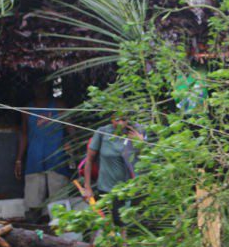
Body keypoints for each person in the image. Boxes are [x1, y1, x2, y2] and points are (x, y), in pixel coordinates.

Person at [15, 82, 71, 219]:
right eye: (37, 86)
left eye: (43, 86)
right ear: (33, 88)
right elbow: (24, 134)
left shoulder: (59, 105)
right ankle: (33, 226)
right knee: (33, 196)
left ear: (49, 88)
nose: (40, 89)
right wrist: (19, 159)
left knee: (59, 195)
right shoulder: (27, 109)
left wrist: (72, 146)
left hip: (57, 156)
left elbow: (71, 129)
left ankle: (60, 227)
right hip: (35, 156)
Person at [83, 114, 144, 225]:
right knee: (106, 224)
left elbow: (144, 159)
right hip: (105, 188)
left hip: (127, 190)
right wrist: (87, 187)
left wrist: (140, 143)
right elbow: (89, 160)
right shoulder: (102, 133)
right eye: (117, 120)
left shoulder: (135, 132)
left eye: (124, 120)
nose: (120, 123)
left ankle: (123, 242)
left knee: (122, 224)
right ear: (111, 119)